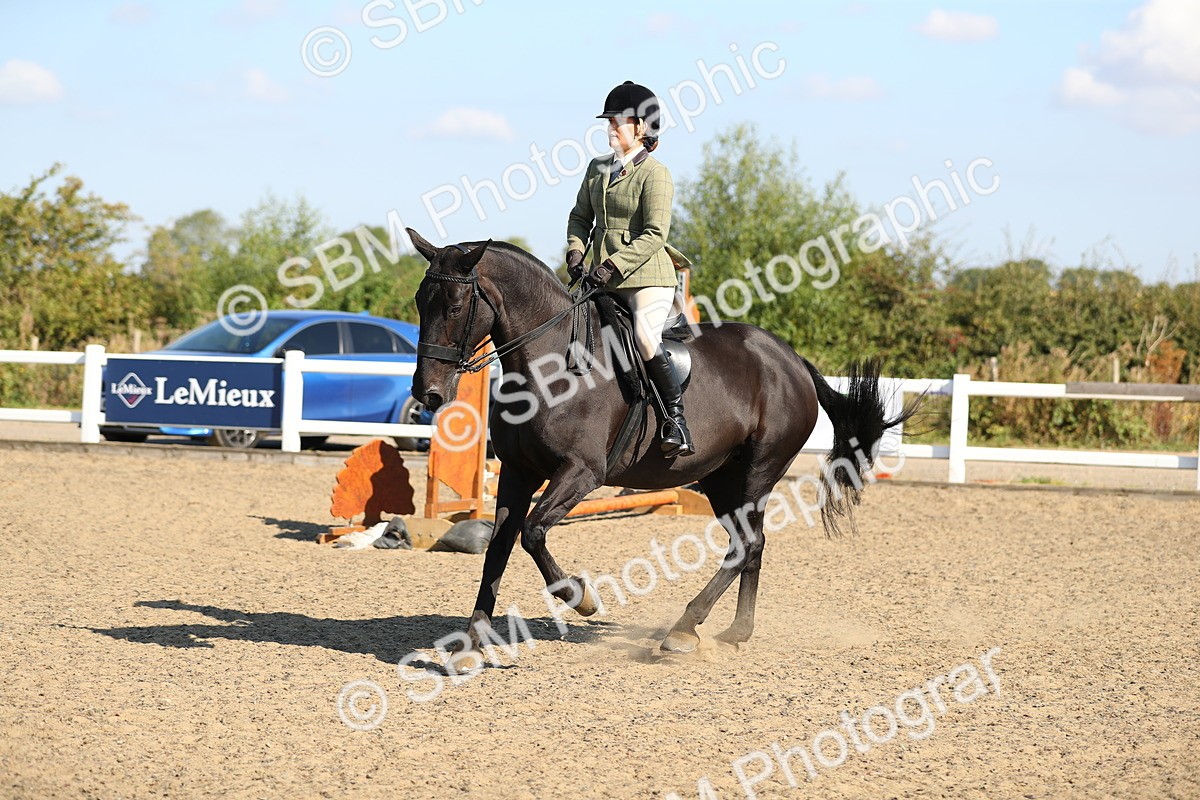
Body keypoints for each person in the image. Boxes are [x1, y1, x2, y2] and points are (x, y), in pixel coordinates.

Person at [565, 80, 695, 458]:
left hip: (646, 278)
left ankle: (676, 420)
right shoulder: (597, 169)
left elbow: (655, 234)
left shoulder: (656, 174)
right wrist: (575, 251)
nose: (610, 129)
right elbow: (579, 218)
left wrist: (611, 265)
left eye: (617, 122)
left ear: (641, 127)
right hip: (600, 277)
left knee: (643, 338)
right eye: (608, 122)